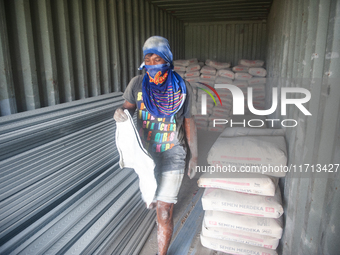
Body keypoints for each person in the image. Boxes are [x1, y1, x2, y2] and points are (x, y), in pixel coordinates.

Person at [114, 36, 197, 255]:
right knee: (152, 200)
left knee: (164, 212)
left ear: (167, 58)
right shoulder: (137, 83)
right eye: (147, 58)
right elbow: (127, 107)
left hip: (173, 152)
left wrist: (195, 156)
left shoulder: (182, 87)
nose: (151, 63)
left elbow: (189, 122)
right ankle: (158, 199)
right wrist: (120, 112)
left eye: (157, 57)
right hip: (146, 156)